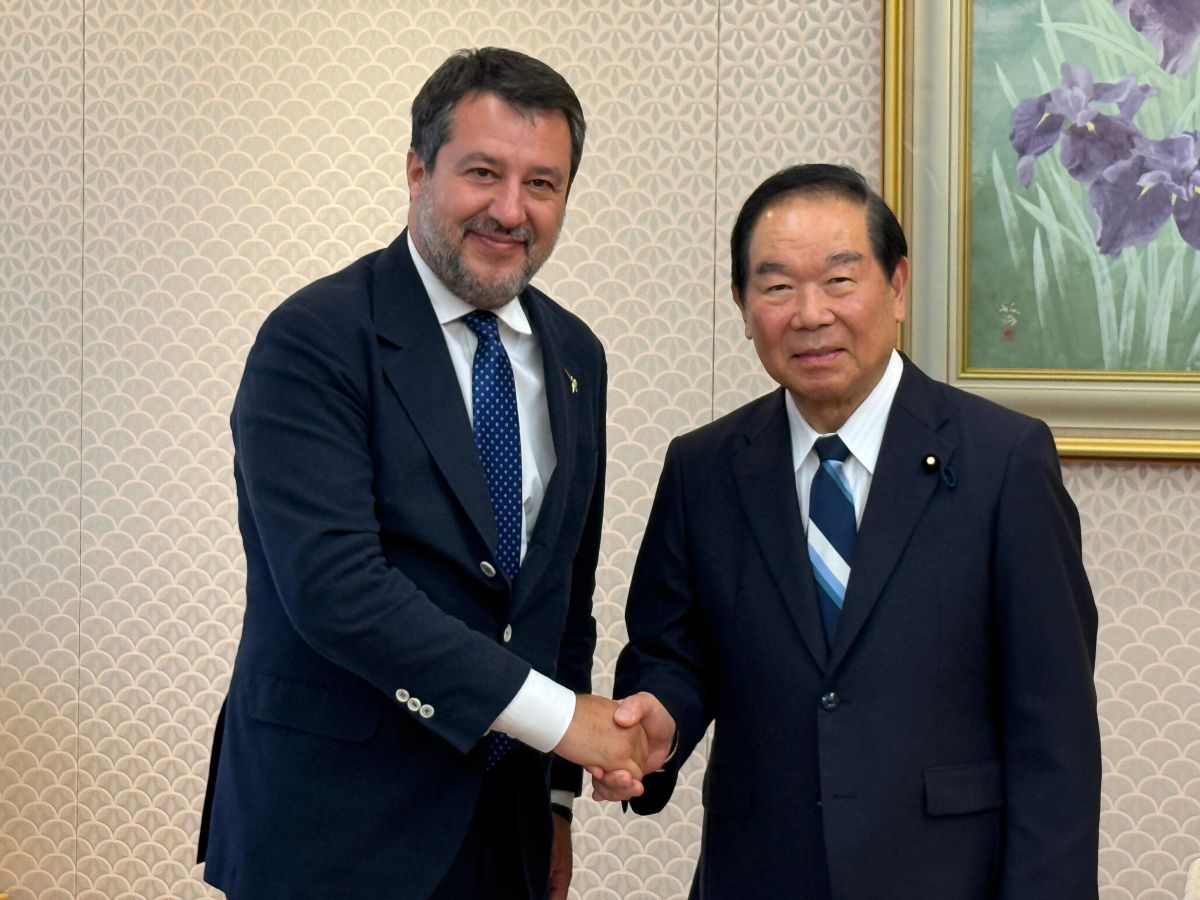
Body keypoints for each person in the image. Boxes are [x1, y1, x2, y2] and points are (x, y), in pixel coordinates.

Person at [197, 47, 650, 899]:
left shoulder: (576, 355)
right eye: (483, 173)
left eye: (542, 183)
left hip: (505, 834)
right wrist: (565, 722)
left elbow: (562, 601)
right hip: (332, 830)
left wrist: (556, 798)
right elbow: (337, 590)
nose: (510, 210)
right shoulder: (315, 337)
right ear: (417, 171)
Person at [594, 164, 1101, 898]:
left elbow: (1054, 732)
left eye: (839, 280)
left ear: (897, 286)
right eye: (776, 287)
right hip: (758, 876)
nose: (810, 314)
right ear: (742, 305)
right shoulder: (704, 468)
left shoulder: (1003, 461)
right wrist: (658, 719)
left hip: (946, 879)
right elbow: (671, 654)